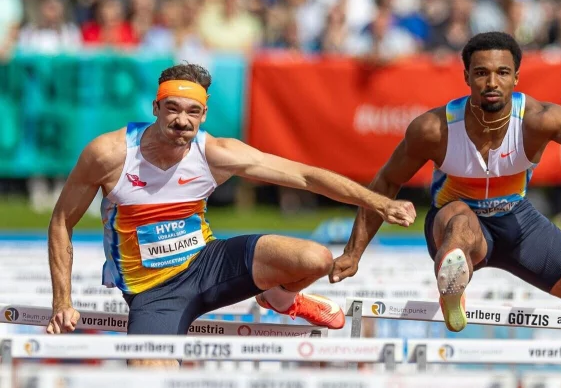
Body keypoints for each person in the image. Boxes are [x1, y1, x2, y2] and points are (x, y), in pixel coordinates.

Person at [45, 63, 416, 363]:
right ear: (155, 108)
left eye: (192, 111)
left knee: (316, 258)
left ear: (204, 115)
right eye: (172, 108)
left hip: (209, 264)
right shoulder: (110, 154)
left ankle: (280, 298)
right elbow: (62, 222)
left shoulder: (215, 153)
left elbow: (304, 176)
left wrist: (380, 203)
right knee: (150, 374)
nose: (181, 120)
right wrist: (62, 300)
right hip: (152, 291)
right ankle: (272, 298)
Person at [331, 31, 561, 332]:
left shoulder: (538, 119)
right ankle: (452, 282)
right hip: (457, 219)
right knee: (460, 226)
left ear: (516, 77)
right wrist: (354, 252)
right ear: (466, 77)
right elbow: (386, 182)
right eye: (481, 73)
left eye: (502, 73)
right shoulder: (434, 129)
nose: (492, 82)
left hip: (519, 224)